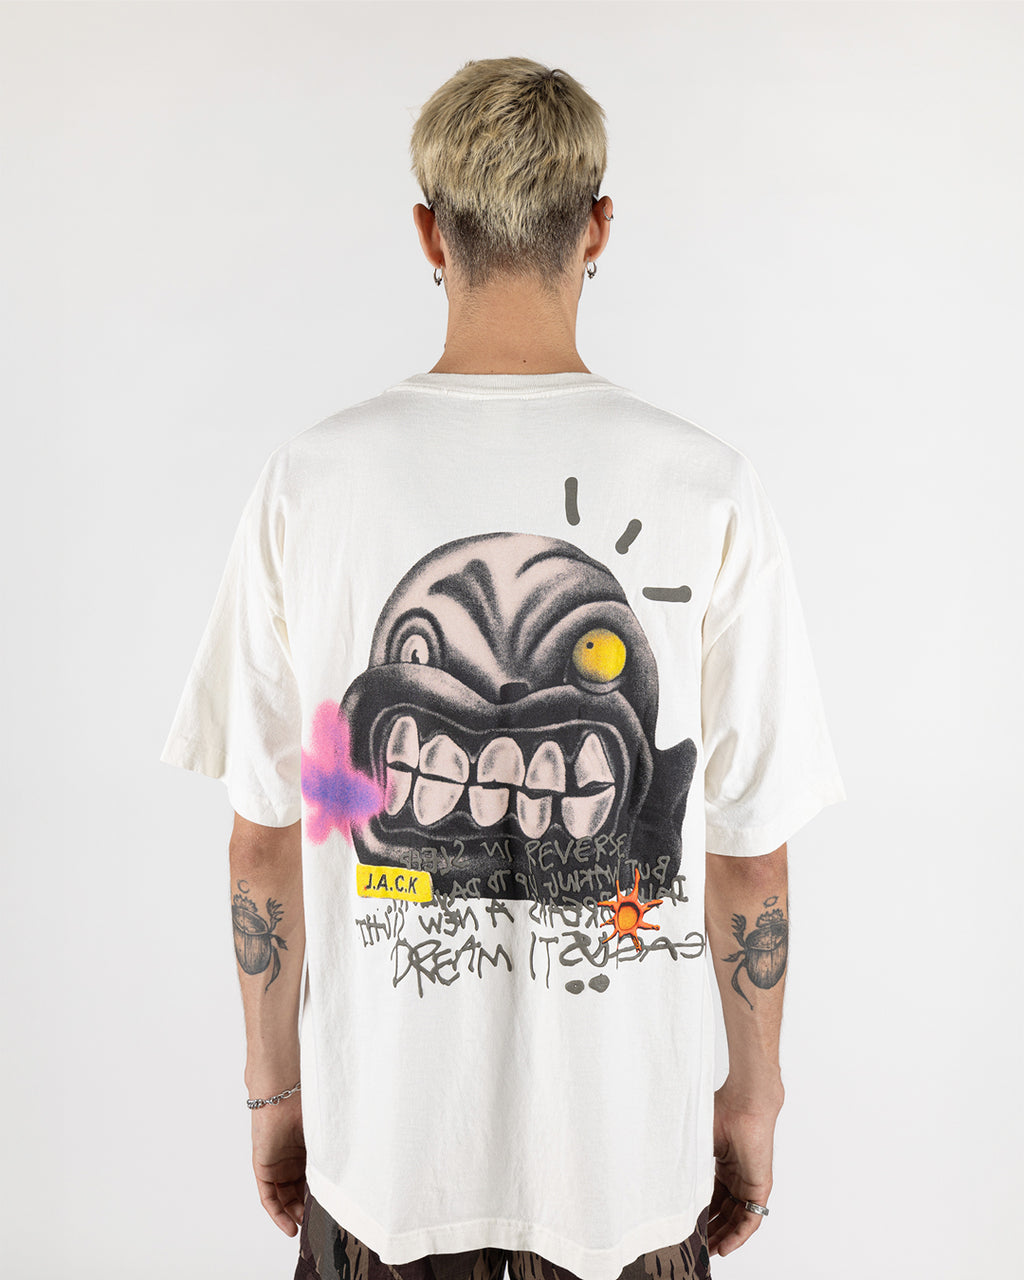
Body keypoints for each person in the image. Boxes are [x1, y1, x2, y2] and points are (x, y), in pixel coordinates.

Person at [160, 56, 846, 1280]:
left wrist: (275, 1094)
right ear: (598, 227)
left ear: (430, 231)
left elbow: (263, 840)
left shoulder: (310, 483)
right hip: (626, 1194)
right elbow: (750, 854)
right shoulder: (708, 487)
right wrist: (752, 1103)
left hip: (382, 1180)